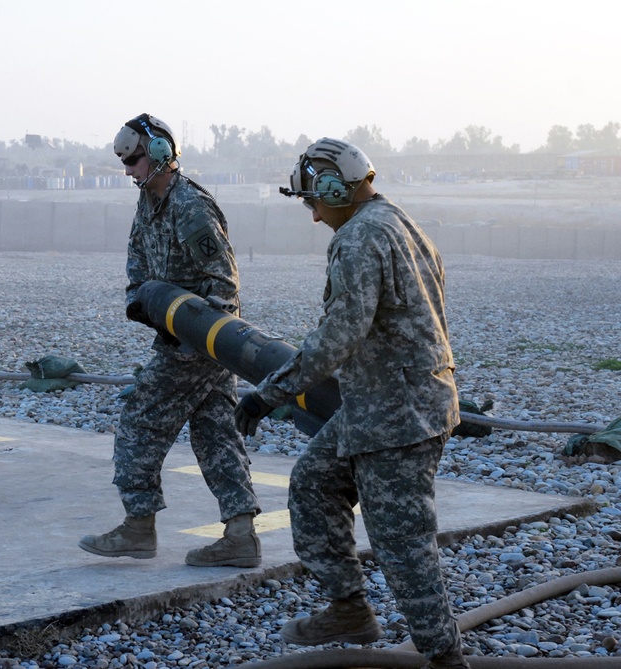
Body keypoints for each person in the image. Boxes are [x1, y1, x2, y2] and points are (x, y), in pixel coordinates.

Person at [234, 138, 469, 668]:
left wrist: (267, 394)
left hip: (398, 417)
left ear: (335, 188)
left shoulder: (360, 238)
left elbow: (340, 333)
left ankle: (446, 659)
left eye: (312, 202)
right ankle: (349, 607)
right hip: (384, 403)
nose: (314, 216)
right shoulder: (398, 222)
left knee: (404, 548)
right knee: (315, 480)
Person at [78, 113, 261, 568]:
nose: (129, 171)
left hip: (198, 341)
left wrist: (196, 341)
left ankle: (139, 527)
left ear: (159, 153)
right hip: (182, 335)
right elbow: (138, 259)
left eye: (135, 160)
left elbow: (225, 285)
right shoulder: (150, 201)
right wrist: (141, 300)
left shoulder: (190, 206)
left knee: (140, 420)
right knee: (216, 431)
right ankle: (241, 535)